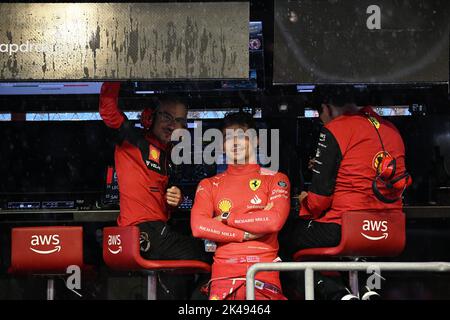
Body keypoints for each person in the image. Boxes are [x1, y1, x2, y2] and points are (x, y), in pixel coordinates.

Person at [280, 85, 411, 300]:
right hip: (390, 229)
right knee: (339, 249)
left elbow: (319, 201)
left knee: (283, 241)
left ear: (326, 108)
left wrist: (305, 201)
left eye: (320, 115)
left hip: (346, 227)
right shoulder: (392, 130)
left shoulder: (336, 128)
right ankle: (368, 290)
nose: (322, 121)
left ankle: (338, 295)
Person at [99, 82, 210, 298]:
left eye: (179, 120)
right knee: (215, 255)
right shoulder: (133, 140)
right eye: (167, 117)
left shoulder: (167, 156)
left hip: (154, 232)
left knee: (195, 255)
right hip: (143, 232)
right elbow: (108, 111)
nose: (172, 125)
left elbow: (158, 196)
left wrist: (174, 200)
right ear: (150, 117)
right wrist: (114, 73)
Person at [191, 111, 291, 300]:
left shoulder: (276, 179)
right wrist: (245, 233)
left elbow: (273, 222)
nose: (235, 143)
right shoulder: (209, 184)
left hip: (264, 274)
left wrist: (226, 219)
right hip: (223, 276)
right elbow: (198, 226)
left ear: (256, 140)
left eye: (242, 136)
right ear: (221, 145)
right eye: (229, 137)